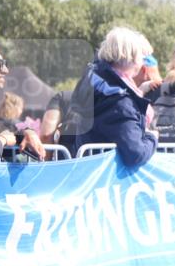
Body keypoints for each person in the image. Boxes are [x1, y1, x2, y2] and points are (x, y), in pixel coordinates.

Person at [64, 27, 158, 167]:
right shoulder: (120, 102)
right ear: (132, 58)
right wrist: (152, 137)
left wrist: (139, 92)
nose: (143, 61)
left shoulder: (92, 78)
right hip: (107, 179)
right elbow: (135, 154)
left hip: (87, 170)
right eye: (141, 56)